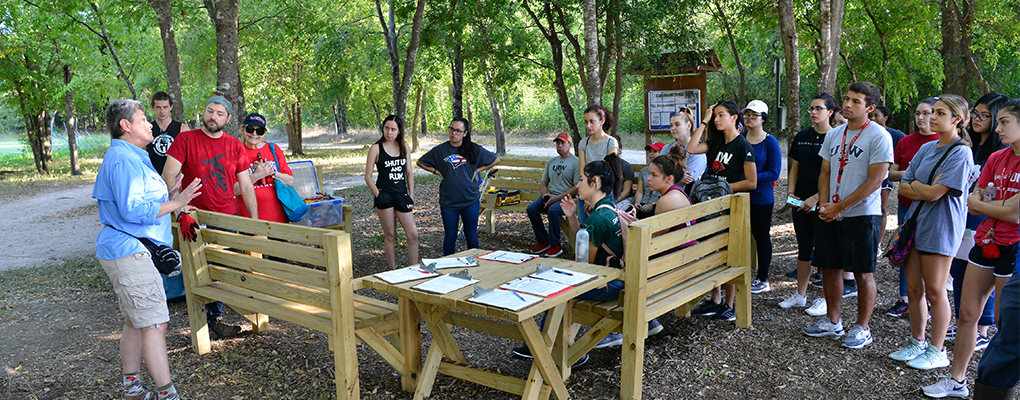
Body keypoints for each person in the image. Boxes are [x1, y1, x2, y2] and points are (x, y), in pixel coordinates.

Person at [94, 99, 202, 400]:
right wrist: (178, 203)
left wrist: (171, 191)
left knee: (135, 320)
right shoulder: (123, 160)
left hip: (129, 249)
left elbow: (139, 201)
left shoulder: (133, 156)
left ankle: (132, 388)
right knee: (155, 322)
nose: (151, 124)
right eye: (143, 119)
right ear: (125, 126)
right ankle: (168, 394)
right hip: (130, 252)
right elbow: (132, 209)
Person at [923, 99, 1020, 398]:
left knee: (1007, 325)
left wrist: (991, 205)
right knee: (967, 314)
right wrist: (997, 205)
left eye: (1005, 122)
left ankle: (1003, 385)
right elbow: (972, 200)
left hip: (1014, 248)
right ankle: (957, 380)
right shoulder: (996, 157)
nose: (998, 127)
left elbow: (1016, 214)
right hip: (985, 240)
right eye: (998, 121)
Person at [802, 81, 893, 349]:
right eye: (847, 99)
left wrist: (840, 207)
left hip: (862, 215)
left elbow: (875, 181)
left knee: (863, 272)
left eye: (856, 101)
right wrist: (826, 205)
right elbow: (826, 173)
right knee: (829, 268)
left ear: (870, 108)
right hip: (832, 213)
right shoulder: (834, 135)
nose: (848, 105)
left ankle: (862, 328)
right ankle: (833, 321)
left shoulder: (878, 136)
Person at [886, 94, 974, 371]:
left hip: (941, 227)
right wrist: (924, 188)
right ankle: (917, 341)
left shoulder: (961, 152)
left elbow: (937, 194)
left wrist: (922, 189)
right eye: (931, 112)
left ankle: (938, 350)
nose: (932, 117)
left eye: (940, 113)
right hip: (915, 224)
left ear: (957, 120)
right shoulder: (927, 148)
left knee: (936, 290)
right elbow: (904, 185)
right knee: (913, 289)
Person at [161, 92, 257, 339]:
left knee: (223, 266)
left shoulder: (235, 146)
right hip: (194, 217)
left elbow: (246, 186)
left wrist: (255, 223)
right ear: (204, 112)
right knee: (199, 270)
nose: (213, 117)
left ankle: (216, 318)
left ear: (228, 118)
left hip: (226, 217)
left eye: (220, 113)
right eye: (210, 111)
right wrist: (178, 206)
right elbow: (169, 174)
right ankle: (208, 321)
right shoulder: (185, 139)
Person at [947, 93, 1009, 347]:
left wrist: (979, 203)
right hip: (963, 217)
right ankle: (964, 320)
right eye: (976, 114)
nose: (977, 120)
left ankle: (982, 328)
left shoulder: (1002, 153)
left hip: (987, 224)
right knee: (960, 270)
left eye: (985, 115)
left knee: (987, 277)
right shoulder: (971, 147)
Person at [686, 100, 757, 322]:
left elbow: (751, 182)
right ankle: (715, 300)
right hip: (710, 207)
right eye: (715, 116)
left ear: (734, 118)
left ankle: (729, 304)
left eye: (721, 115)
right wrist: (704, 121)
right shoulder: (715, 143)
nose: (717, 119)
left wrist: (721, 187)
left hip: (731, 208)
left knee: (728, 254)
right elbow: (691, 148)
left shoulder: (742, 146)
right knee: (710, 250)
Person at [781, 93, 837, 311]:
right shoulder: (802, 135)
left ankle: (824, 298)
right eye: (811, 108)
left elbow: (834, 174)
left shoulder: (836, 137)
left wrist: (816, 198)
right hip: (799, 201)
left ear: (830, 112)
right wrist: (792, 194)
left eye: (818, 109)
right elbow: (796, 166)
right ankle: (800, 294)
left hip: (823, 202)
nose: (813, 112)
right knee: (804, 247)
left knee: (823, 249)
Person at [886, 97, 940, 318]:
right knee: (905, 248)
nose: (921, 118)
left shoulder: (944, 143)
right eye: (918, 113)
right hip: (906, 203)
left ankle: (928, 300)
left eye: (926, 113)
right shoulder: (905, 141)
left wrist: (910, 177)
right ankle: (905, 298)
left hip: (933, 206)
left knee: (930, 254)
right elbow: (891, 172)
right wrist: (915, 177)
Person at [417, 117, 499, 255]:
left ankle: (475, 264)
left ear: (465, 133)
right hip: (449, 201)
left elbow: (495, 159)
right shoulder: (440, 150)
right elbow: (421, 162)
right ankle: (448, 267)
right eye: (451, 129)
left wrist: (477, 170)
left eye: (458, 131)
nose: (454, 133)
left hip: (470, 199)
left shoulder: (473, 148)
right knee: (450, 236)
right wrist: (436, 171)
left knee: (471, 234)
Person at [365, 115, 419, 269]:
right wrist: (379, 195)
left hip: (401, 195)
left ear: (399, 131)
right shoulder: (376, 148)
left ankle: (414, 270)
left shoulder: (404, 147)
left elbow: (409, 173)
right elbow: (367, 177)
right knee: (390, 235)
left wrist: (411, 194)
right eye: (387, 128)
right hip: (384, 196)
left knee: (413, 235)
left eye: (393, 129)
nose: (389, 132)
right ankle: (393, 271)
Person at [741, 100, 782, 294]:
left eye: (754, 115)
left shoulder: (770, 142)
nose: (749, 118)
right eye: (747, 115)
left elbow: (774, 172)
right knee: (738, 236)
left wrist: (751, 178)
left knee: (761, 236)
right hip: (739, 196)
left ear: (763, 119)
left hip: (761, 199)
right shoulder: (740, 139)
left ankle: (762, 278)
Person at [232, 112, 296, 224]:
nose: (254, 134)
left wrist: (271, 173)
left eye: (259, 131)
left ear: (264, 133)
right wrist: (257, 176)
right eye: (250, 129)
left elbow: (290, 181)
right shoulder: (236, 152)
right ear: (243, 130)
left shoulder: (274, 149)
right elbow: (234, 191)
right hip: (249, 219)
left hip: (277, 217)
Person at [526, 132, 578, 258]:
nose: (559, 146)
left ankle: (556, 245)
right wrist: (545, 196)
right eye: (557, 143)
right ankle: (544, 241)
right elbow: (543, 183)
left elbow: (576, 188)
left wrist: (557, 198)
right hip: (551, 196)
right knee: (531, 209)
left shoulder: (576, 162)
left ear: (569, 144)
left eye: (563, 143)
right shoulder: (551, 162)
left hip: (567, 198)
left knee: (553, 211)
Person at [870, 105, 906, 255]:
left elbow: (903, 150)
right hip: (869, 176)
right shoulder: (867, 133)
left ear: (885, 118)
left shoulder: (895, 135)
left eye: (876, 115)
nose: (873, 119)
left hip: (886, 177)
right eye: (871, 116)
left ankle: (877, 243)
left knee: (882, 208)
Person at [577, 105, 620, 223]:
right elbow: (582, 170)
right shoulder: (583, 143)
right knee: (585, 229)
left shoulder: (611, 142)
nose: (588, 126)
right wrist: (586, 195)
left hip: (604, 192)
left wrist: (592, 196)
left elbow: (607, 171)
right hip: (585, 189)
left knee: (604, 227)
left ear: (602, 121)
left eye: (592, 121)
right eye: (586, 122)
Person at [147, 91, 191, 175]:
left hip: (176, 178)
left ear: (171, 107)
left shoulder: (182, 129)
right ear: (153, 107)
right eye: (158, 107)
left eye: (165, 107)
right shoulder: (148, 129)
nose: (162, 111)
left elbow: (189, 157)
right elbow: (143, 155)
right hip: (154, 178)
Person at [662, 108, 707, 185]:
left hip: (684, 195)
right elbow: (657, 172)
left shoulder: (698, 151)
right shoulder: (666, 148)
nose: (673, 128)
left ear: (688, 126)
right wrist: (678, 178)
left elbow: (689, 179)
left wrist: (666, 176)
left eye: (677, 124)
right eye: (671, 125)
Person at [636, 142, 664, 219]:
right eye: (650, 152)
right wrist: (637, 202)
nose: (651, 154)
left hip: (657, 203)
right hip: (644, 202)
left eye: (655, 152)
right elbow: (640, 190)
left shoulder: (665, 171)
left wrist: (653, 204)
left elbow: (667, 195)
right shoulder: (644, 171)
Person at [614, 139, 636, 209]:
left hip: (624, 199)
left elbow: (626, 191)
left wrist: (612, 202)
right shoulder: (603, 166)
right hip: (607, 199)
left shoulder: (626, 167)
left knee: (613, 211)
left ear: (619, 150)